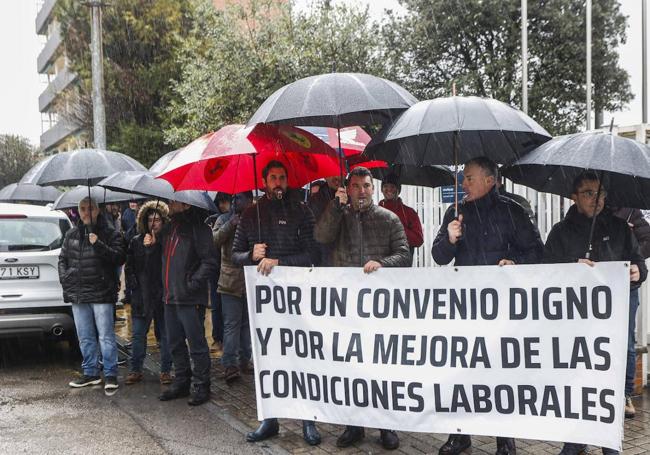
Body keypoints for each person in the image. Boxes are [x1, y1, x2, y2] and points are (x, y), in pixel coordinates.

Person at [431, 156, 544, 455]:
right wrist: (450, 240)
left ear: (489, 180)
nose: (462, 183)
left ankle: (504, 439)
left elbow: (537, 253)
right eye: (462, 177)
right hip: (465, 309)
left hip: (502, 311)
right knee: (462, 372)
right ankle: (460, 434)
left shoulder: (513, 212)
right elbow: (438, 256)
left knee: (501, 373)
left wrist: (515, 262)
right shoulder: (455, 213)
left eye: (469, 178)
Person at [544, 172, 647, 455]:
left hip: (611, 319)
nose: (596, 200)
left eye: (600, 194)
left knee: (608, 378)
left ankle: (607, 438)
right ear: (574, 197)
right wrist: (570, 267)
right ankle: (576, 438)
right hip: (576, 321)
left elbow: (637, 261)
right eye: (589, 193)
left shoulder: (619, 228)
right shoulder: (560, 232)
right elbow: (545, 269)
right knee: (578, 379)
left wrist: (638, 272)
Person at [314, 166, 410, 450]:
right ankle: (353, 425)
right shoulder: (338, 215)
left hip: (380, 309)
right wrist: (335, 206)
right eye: (355, 186)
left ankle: (386, 425)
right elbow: (321, 237)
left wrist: (383, 265)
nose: (362, 191)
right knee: (351, 368)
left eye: (366, 186)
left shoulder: (389, 219)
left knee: (381, 369)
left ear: (373, 188)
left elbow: (405, 255)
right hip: (347, 307)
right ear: (348, 189)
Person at [232, 160, 321, 446]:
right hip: (265, 302)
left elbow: (311, 255)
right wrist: (251, 254)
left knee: (303, 358)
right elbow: (234, 255)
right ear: (264, 181)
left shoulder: (302, 211)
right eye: (273, 178)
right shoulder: (249, 214)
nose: (278, 182)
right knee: (267, 360)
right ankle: (270, 419)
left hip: (297, 298)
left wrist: (279, 262)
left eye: (282, 177)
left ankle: (309, 419)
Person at [153, 200, 218, 406]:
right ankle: (182, 381)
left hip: (189, 298)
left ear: (187, 205)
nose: (170, 203)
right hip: (170, 296)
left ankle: (202, 385)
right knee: (174, 342)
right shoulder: (170, 228)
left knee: (197, 343)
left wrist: (192, 283)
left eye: (175, 201)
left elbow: (210, 262)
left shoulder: (199, 229)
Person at [59, 197, 126, 396]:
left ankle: (111, 373)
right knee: (85, 336)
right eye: (82, 209)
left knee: (105, 335)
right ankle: (90, 372)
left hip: (101, 292)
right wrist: (65, 278)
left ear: (97, 210)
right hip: (78, 292)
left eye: (90, 209)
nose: (86, 212)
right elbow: (63, 259)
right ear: (78, 211)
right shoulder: (71, 234)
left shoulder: (110, 233)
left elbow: (119, 257)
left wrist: (98, 244)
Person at [124, 200, 173, 385]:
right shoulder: (136, 241)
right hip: (141, 297)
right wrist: (133, 288)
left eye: (157, 220)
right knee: (138, 335)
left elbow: (164, 267)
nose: (154, 223)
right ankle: (135, 369)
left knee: (166, 335)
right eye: (151, 219)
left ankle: (166, 370)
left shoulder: (166, 242)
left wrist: (154, 247)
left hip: (162, 295)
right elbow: (131, 268)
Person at [610, 206, 650, 418]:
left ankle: (624, 394)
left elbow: (648, 240)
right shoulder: (584, 213)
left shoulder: (631, 212)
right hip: (597, 288)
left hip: (626, 287)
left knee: (626, 342)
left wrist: (633, 260)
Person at [213, 192, 254, 384]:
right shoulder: (224, 219)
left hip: (251, 280)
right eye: (236, 199)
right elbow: (214, 240)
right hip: (229, 282)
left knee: (247, 324)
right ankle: (229, 363)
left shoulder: (256, 218)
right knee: (231, 324)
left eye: (243, 199)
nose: (238, 202)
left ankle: (246, 359)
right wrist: (231, 224)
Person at [204, 193, 232, 357]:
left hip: (228, 269)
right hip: (216, 269)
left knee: (227, 308)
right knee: (216, 305)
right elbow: (213, 241)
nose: (223, 205)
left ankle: (224, 339)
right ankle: (217, 337)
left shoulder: (236, 218)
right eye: (220, 202)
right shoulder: (213, 219)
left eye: (225, 201)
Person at [378, 173, 424, 259]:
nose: (389, 189)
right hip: (380, 264)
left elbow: (418, 240)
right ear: (381, 189)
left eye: (392, 186)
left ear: (398, 190)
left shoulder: (409, 212)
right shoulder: (375, 211)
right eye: (385, 186)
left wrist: (398, 229)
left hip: (402, 265)